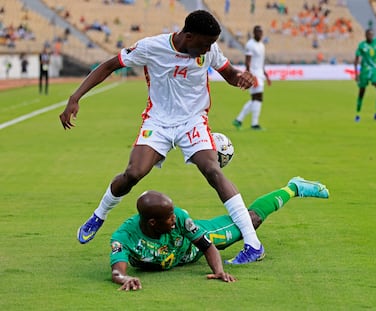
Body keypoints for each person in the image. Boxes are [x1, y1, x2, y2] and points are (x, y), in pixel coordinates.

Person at [59, 10, 264, 264]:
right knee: (133, 173)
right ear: (188, 36)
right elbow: (110, 65)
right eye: (203, 44)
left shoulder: (208, 49)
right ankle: (99, 215)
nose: (208, 49)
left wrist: (242, 78)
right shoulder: (151, 47)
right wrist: (75, 97)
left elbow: (230, 75)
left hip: (193, 121)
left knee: (213, 170)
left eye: (211, 44)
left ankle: (253, 244)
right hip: (159, 121)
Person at [110, 176, 330, 290]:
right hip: (176, 256)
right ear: (152, 223)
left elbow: (206, 245)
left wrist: (218, 270)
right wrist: (125, 278)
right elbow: (117, 271)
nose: (174, 218)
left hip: (193, 247)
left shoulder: (180, 219)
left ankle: (294, 187)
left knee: (250, 221)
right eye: (168, 218)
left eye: (173, 214)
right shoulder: (124, 237)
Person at [233, 25, 271, 130]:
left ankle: (239, 119)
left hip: (260, 74)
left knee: (256, 99)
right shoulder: (250, 44)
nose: (260, 34)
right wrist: (250, 76)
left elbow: (261, 62)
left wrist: (266, 75)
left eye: (261, 33)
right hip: (254, 74)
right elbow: (247, 61)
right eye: (258, 32)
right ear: (254, 33)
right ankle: (254, 124)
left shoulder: (262, 45)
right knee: (258, 98)